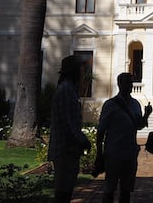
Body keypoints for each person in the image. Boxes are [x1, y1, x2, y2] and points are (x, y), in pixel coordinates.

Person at [96, 72, 153, 203]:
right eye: (127, 82)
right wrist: (99, 154)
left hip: (130, 153)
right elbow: (101, 131)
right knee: (109, 189)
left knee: (126, 190)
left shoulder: (135, 104)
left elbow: (138, 126)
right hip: (114, 153)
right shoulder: (110, 104)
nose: (130, 86)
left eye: (131, 82)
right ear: (119, 84)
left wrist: (146, 115)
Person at [48, 55, 91, 203]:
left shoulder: (70, 89)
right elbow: (68, 124)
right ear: (73, 71)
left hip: (69, 149)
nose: (83, 72)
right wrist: (83, 140)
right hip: (64, 149)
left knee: (66, 191)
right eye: (81, 69)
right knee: (63, 193)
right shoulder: (66, 90)